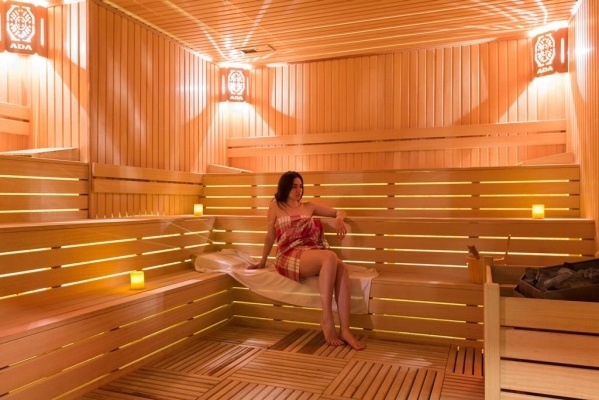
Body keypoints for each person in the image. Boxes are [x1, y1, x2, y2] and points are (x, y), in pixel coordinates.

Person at [249, 171, 365, 350]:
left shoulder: (309, 206)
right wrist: (263, 261)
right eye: (294, 186)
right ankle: (327, 318)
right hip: (288, 253)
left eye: (301, 186)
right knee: (330, 256)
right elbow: (270, 236)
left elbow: (339, 211)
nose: (299, 190)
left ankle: (345, 330)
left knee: (343, 268)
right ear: (285, 187)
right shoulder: (276, 206)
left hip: (310, 251)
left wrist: (339, 219)